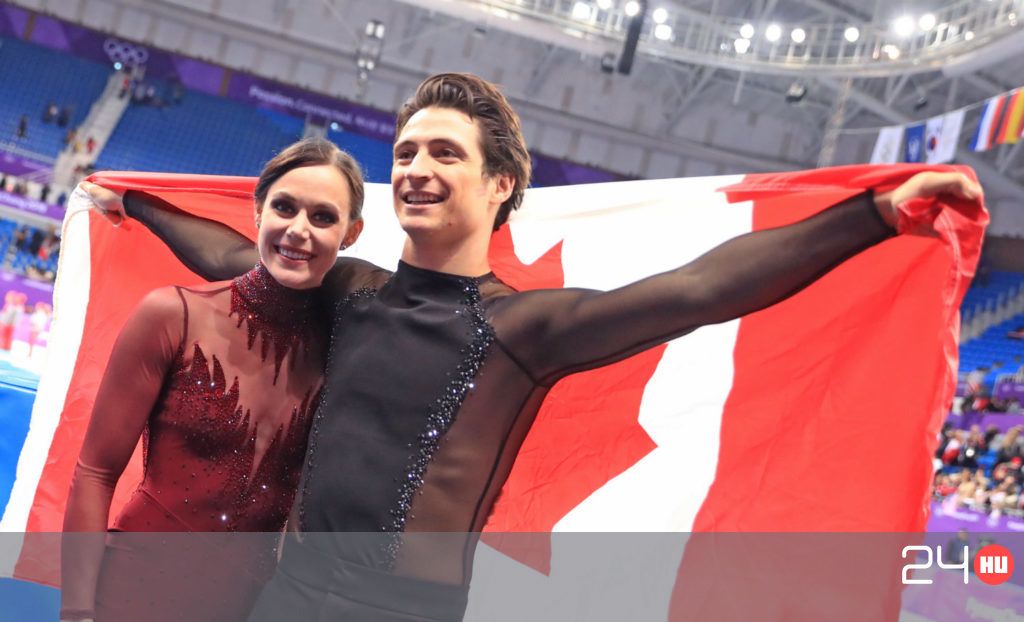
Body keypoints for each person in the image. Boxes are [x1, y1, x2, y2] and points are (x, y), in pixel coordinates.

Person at [85, 73, 983, 621]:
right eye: (405, 152)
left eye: (444, 152)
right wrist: (136, 205)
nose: (415, 169)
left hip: (404, 615)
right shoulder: (349, 293)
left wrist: (871, 215)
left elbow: (702, 290)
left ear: (501, 183)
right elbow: (243, 256)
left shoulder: (522, 328)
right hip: (283, 599)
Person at [60, 138, 365, 622]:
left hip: (249, 607)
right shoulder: (173, 315)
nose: (298, 230)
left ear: (351, 234)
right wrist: (76, 612)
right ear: (259, 212)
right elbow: (95, 474)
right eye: (285, 207)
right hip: (129, 594)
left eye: (323, 217)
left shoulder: (345, 355)